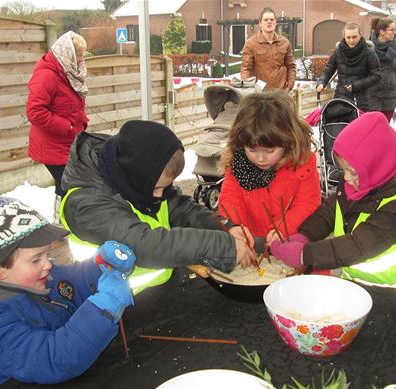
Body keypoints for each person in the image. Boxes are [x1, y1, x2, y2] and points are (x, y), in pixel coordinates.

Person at [0, 181, 135, 387]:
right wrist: (103, 309)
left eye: (47, 253)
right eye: (36, 259)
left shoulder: (42, 275)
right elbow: (54, 360)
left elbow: (75, 279)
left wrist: (99, 265)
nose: (48, 263)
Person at [60, 120, 256, 288]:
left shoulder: (133, 179)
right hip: (111, 306)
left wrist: (224, 227)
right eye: (155, 188)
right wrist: (222, 246)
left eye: (166, 186)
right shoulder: (85, 204)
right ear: (133, 177)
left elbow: (180, 208)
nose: (161, 195)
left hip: (158, 294)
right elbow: (145, 244)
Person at [270, 112, 396, 293]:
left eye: (352, 172)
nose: (346, 178)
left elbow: (356, 246)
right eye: (344, 170)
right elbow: (330, 211)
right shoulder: (361, 183)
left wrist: (305, 254)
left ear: (377, 167)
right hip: (361, 286)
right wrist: (306, 234)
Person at [218, 91, 321, 246]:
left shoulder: (302, 162)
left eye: (269, 151)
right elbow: (231, 199)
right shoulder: (237, 164)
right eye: (252, 150)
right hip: (253, 241)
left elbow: (308, 203)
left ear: (288, 140)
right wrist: (236, 226)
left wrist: (284, 228)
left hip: (292, 240)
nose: (260, 158)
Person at [27, 31, 89, 205]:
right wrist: (67, 127)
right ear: (67, 53)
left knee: (64, 186)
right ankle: (67, 224)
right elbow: (35, 112)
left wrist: (80, 124)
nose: (81, 59)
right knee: (69, 187)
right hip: (52, 144)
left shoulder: (67, 73)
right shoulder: (47, 75)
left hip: (67, 143)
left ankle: (60, 223)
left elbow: (69, 106)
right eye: (78, 55)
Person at [316, 22, 380, 112]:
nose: (351, 40)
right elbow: (328, 70)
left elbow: (376, 75)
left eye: (354, 37)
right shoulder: (338, 52)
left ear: (360, 36)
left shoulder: (369, 53)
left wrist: (356, 85)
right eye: (348, 37)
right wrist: (322, 82)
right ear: (344, 37)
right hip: (341, 97)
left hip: (363, 99)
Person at [240, 7, 296, 92]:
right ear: (260, 23)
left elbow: (291, 66)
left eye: (272, 19)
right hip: (260, 93)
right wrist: (248, 89)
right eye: (266, 20)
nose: (269, 22)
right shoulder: (251, 43)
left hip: (281, 93)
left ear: (275, 23)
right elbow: (246, 68)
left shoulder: (285, 42)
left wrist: (289, 87)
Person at [367, 17, 396, 122]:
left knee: (386, 129)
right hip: (372, 97)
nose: (395, 32)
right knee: (373, 129)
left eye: (395, 29)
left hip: (390, 97)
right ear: (382, 31)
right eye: (392, 29)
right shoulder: (368, 47)